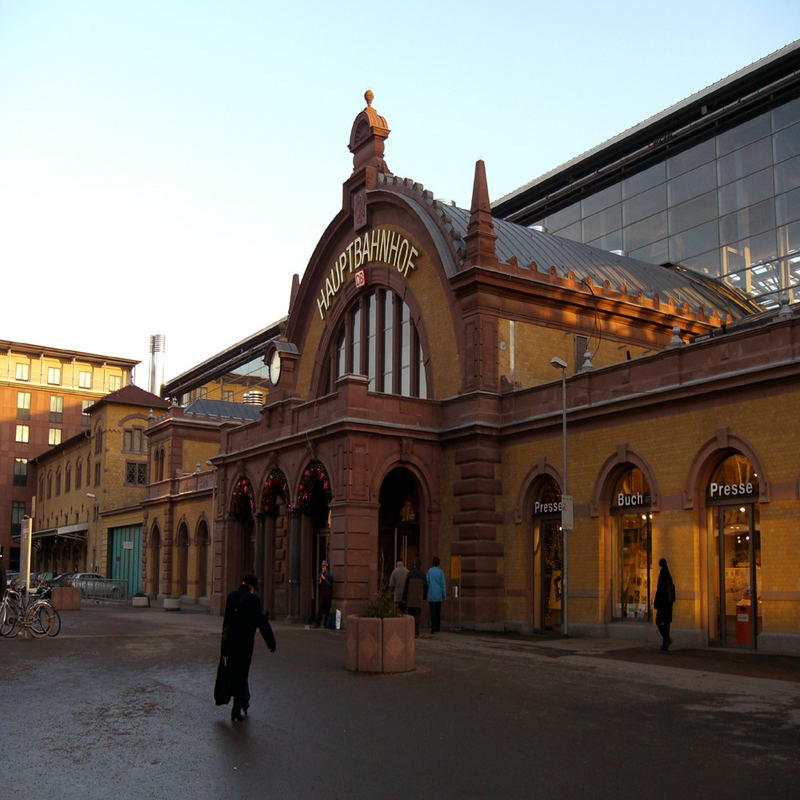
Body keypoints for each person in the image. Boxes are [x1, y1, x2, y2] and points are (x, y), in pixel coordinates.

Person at [222, 573, 276, 722]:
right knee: (242, 674)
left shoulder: (231, 596)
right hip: (245, 644)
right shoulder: (253, 600)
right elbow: (262, 622)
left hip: (231, 643)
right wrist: (271, 643)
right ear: (252, 587)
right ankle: (237, 709)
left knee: (234, 672)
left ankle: (243, 701)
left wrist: (224, 646)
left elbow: (226, 623)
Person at [653, 557, 676, 651]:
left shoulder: (663, 574)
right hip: (668, 604)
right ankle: (665, 643)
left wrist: (656, 602)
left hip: (663, 604)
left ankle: (666, 639)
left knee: (658, 621)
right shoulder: (668, 574)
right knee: (666, 624)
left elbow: (660, 590)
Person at [402, 558, 426, 637]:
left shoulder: (410, 574)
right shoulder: (423, 575)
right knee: (417, 617)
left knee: (410, 616)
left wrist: (404, 598)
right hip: (418, 599)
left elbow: (406, 587)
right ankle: (416, 633)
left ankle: (410, 632)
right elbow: (425, 587)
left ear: (414, 565)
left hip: (410, 599)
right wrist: (424, 597)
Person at [426, 556, 447, 634]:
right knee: (438, 611)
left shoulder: (430, 571)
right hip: (438, 594)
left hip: (431, 594)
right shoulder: (440, 572)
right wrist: (444, 595)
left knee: (432, 611)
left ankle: (433, 627)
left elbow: (427, 582)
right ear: (439, 563)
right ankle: (438, 626)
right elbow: (443, 584)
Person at [314, 560, 333, 628]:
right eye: (322, 566)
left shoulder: (329, 575)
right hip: (322, 594)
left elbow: (329, 585)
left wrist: (324, 579)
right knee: (320, 609)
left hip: (328, 595)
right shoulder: (320, 574)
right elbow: (319, 585)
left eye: (324, 566)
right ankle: (317, 623)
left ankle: (325, 624)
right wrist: (320, 580)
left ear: (327, 567)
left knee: (327, 610)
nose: (323, 568)